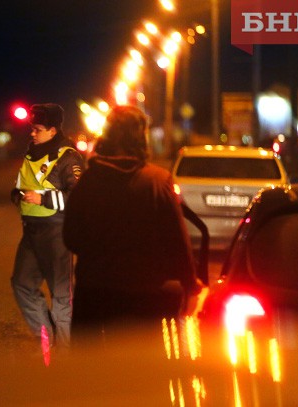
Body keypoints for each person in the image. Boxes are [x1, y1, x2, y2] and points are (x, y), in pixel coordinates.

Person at [62, 105, 204, 347]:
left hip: (95, 295)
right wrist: (191, 283)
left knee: (89, 376)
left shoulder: (89, 181)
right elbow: (177, 240)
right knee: (143, 376)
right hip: (146, 296)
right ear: (141, 138)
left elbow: (71, 237)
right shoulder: (158, 181)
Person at [10, 103, 84, 350]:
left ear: (53, 131)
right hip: (31, 231)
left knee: (62, 297)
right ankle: (48, 338)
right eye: (32, 128)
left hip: (57, 234)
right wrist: (17, 196)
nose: (32, 133)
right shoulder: (31, 153)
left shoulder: (68, 158)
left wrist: (43, 198)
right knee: (21, 284)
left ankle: (66, 353)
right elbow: (20, 185)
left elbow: (79, 198)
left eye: (38, 129)